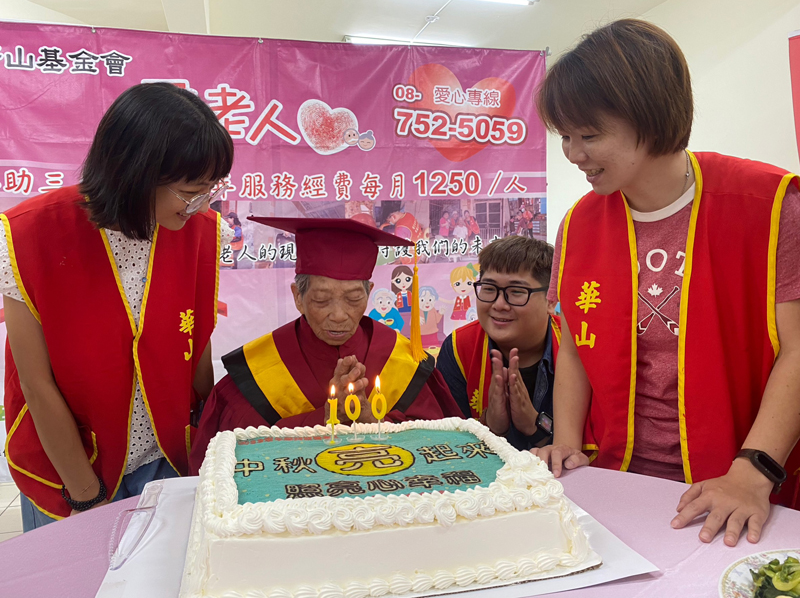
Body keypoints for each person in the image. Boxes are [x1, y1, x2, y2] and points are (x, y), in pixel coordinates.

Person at [532, 19, 800, 547]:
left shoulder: (768, 206)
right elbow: (575, 347)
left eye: (589, 135)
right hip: (617, 481)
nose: (573, 153)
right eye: (565, 136)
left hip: (739, 486)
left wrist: (754, 469)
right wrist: (566, 443)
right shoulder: (580, 224)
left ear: (651, 117)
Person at [2, 82, 234, 530]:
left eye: (210, 189)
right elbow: (34, 383)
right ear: (135, 173)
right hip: (72, 470)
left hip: (165, 457)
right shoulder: (29, 234)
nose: (200, 204)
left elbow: (196, 341)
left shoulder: (200, 229)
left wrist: (209, 440)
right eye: (191, 190)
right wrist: (84, 495)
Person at [190, 218, 463, 473]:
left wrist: (375, 424)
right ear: (298, 297)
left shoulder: (402, 360)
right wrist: (326, 418)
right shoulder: (258, 369)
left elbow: (442, 450)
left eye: (353, 299)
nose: (339, 315)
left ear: (369, 292)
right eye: (321, 300)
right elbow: (230, 462)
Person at [437, 236, 560, 451]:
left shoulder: (576, 346)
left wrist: (535, 425)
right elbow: (447, 446)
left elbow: (590, 443)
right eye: (489, 289)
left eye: (517, 292)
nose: (499, 304)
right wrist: (490, 426)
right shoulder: (458, 348)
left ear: (551, 300)